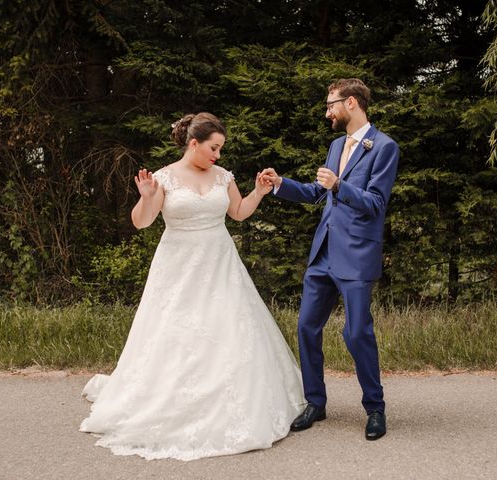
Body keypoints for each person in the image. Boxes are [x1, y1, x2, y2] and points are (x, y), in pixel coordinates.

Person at [80, 112, 305, 461]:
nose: (218, 155)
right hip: (178, 265)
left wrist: (258, 192)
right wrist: (144, 196)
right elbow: (142, 223)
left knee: (227, 327)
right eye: (214, 148)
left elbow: (238, 213)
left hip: (220, 262)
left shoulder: (223, 176)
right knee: (175, 330)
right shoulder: (163, 178)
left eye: (221, 149)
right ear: (193, 142)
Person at [260, 78, 399, 441]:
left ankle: (375, 408)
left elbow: (375, 204)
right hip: (323, 255)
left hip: (356, 256)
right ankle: (315, 403)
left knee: (356, 333)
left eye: (330, 104)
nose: (327, 112)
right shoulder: (337, 145)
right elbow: (318, 194)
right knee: (306, 327)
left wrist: (339, 185)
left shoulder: (384, 147)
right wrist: (280, 184)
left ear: (351, 103)